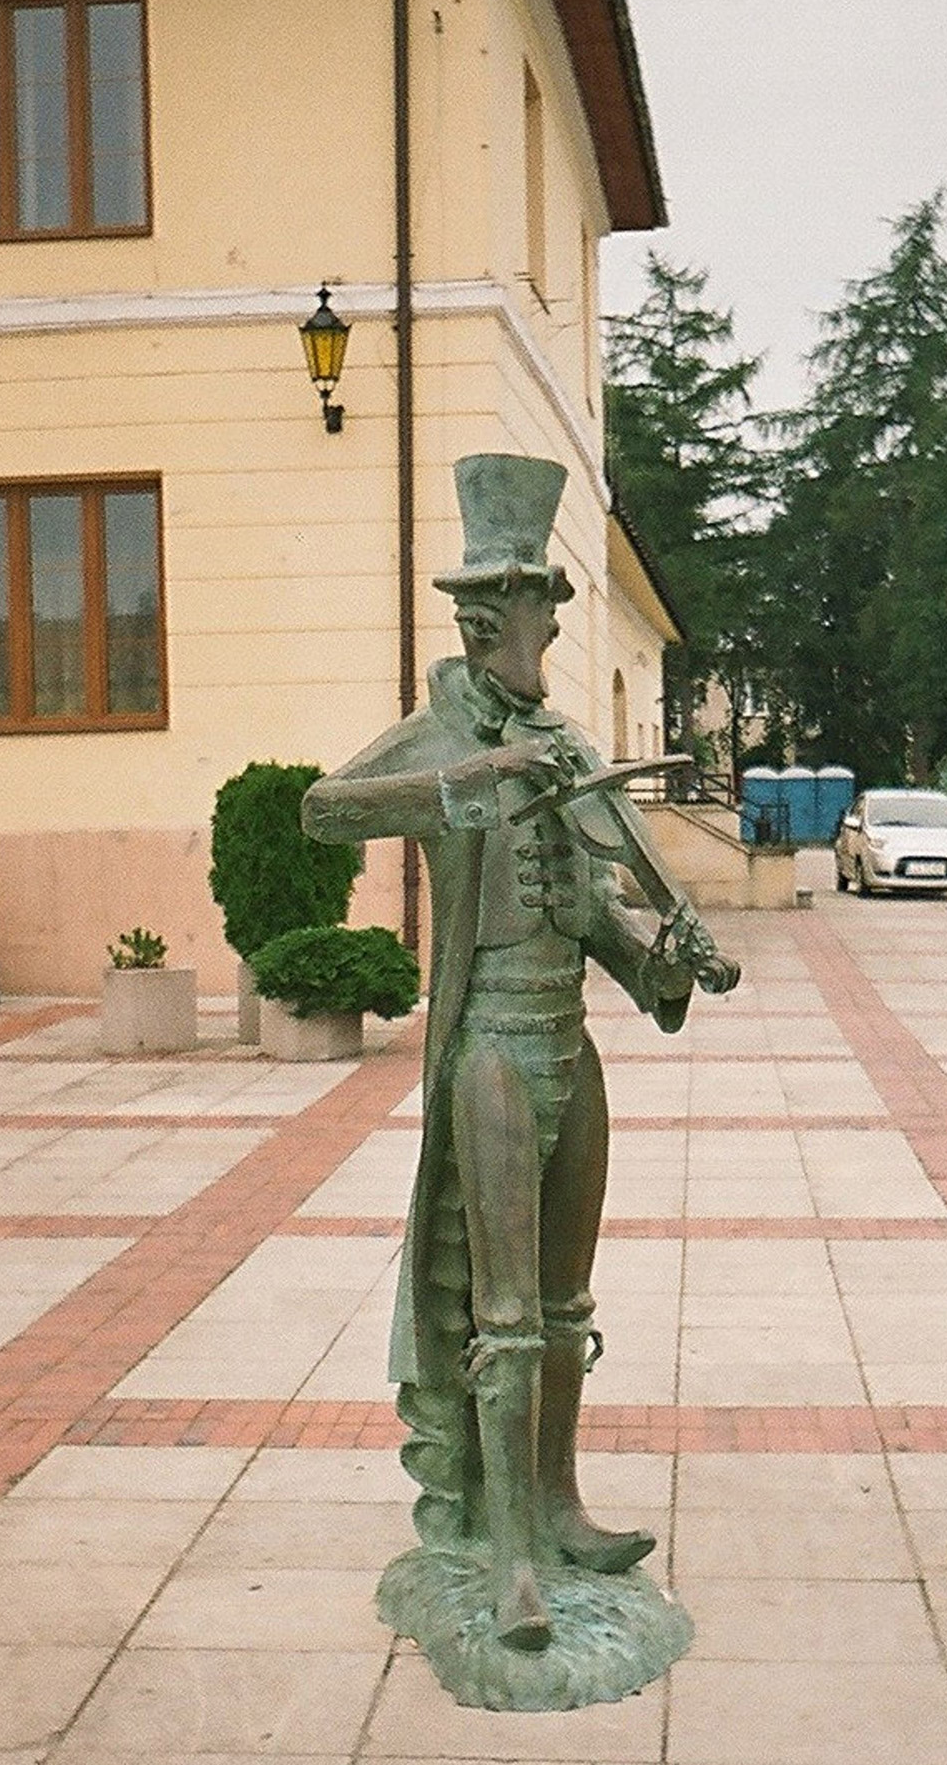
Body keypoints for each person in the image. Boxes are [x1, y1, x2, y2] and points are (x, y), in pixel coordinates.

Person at [302, 454, 739, 1649]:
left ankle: (554, 1506)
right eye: (486, 594)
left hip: (568, 1047)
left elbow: (599, 917)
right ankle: (504, 1566)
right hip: (490, 1046)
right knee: (500, 1315)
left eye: (520, 592)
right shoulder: (445, 734)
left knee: (563, 1304)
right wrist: (473, 777)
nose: (505, 613)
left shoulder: (566, 742)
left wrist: (669, 962)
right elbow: (323, 810)